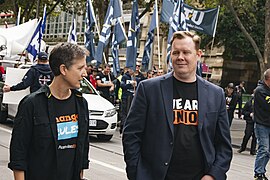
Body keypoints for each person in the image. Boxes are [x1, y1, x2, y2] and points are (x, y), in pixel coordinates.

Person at [122, 31, 232, 180]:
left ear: (198, 55)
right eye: (176, 52)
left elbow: (224, 146)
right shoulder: (148, 89)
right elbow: (131, 135)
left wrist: (213, 175)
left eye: (186, 52)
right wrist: (137, 173)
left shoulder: (216, 94)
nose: (180, 57)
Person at [8, 43, 90, 180]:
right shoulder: (31, 104)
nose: (85, 73)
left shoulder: (81, 103)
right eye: (80, 68)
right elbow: (18, 154)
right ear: (63, 69)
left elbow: (83, 150)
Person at [254, 68, 270, 180]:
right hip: (262, 124)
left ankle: (262, 171)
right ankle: (258, 172)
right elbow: (267, 106)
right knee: (263, 148)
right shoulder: (260, 91)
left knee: (268, 151)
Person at [237, 90, 256, 155]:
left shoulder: (260, 103)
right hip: (250, 121)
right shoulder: (248, 103)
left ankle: (253, 150)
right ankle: (243, 147)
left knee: (255, 136)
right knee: (247, 135)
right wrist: (249, 114)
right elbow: (243, 111)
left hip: (257, 122)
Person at [120, 67, 137, 136]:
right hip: (126, 97)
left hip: (133, 97)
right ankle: (123, 129)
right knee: (125, 113)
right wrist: (130, 84)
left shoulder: (135, 77)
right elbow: (122, 85)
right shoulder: (124, 77)